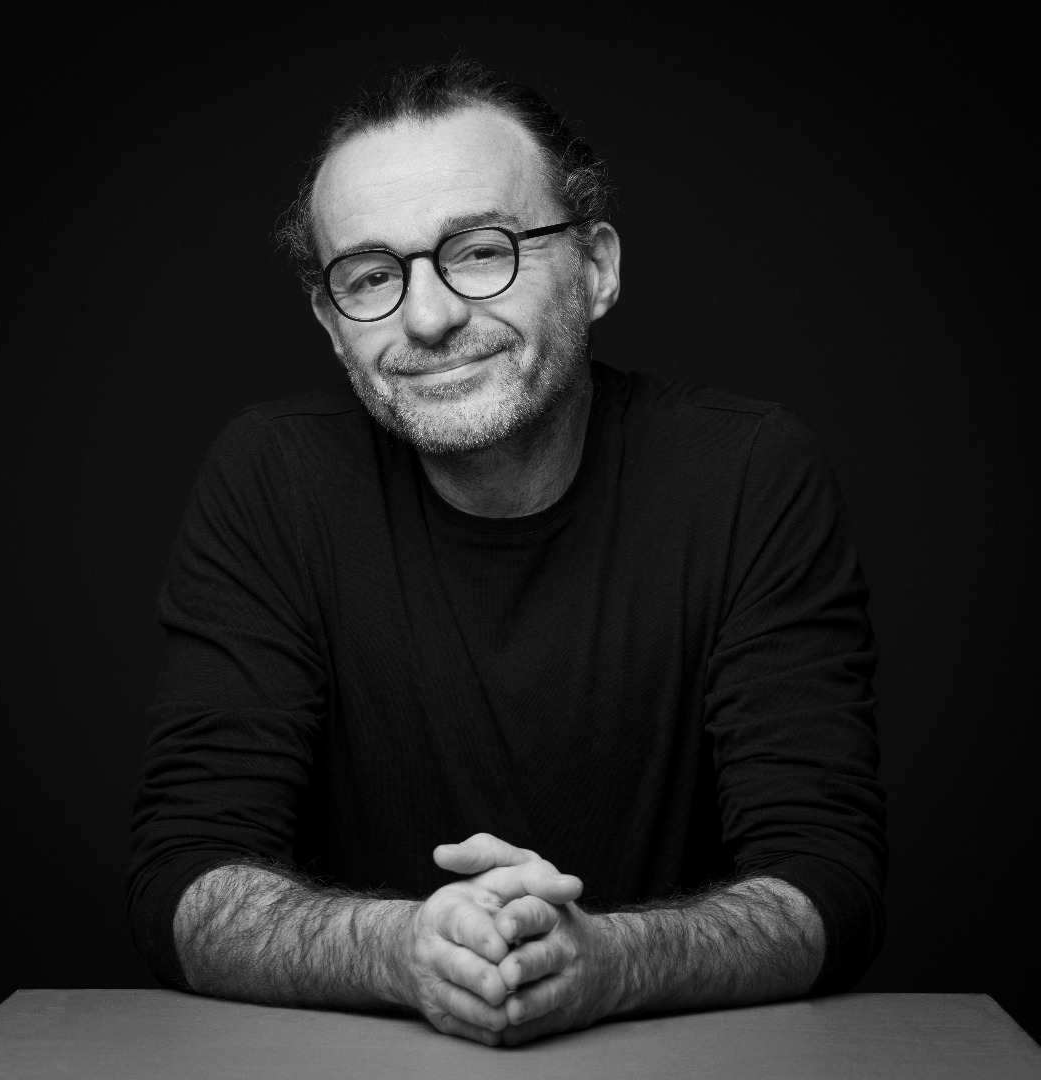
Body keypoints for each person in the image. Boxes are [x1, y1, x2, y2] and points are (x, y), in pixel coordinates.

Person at [127, 58, 887, 1048]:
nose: (428, 317)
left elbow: (827, 883)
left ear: (596, 269)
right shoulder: (273, 479)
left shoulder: (748, 474)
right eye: (371, 275)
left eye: (481, 251)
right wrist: (396, 949)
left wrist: (614, 963)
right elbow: (184, 877)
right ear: (330, 323)